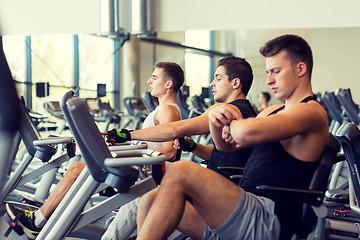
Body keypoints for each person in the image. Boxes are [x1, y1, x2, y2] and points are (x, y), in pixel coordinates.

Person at [135, 34, 329, 240]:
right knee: (150, 201)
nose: (269, 80)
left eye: (276, 71)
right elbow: (226, 146)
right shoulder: (272, 110)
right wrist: (216, 123)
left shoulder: (311, 112)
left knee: (182, 170)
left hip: (266, 218)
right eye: (268, 72)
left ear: (300, 69)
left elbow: (245, 132)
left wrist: (231, 122)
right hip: (243, 207)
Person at [6, 61, 184, 240]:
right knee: (78, 169)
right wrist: (116, 140)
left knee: (78, 169)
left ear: (168, 84)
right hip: (140, 166)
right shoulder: (162, 110)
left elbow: (169, 152)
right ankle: (44, 219)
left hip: (145, 173)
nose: (149, 81)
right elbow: (149, 141)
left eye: (154, 77)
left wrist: (131, 151)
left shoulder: (167, 111)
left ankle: (38, 221)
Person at [102, 56, 257, 240]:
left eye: (218, 78)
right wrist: (192, 146)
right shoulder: (242, 109)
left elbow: (175, 129)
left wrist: (127, 134)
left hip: (222, 192)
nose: (212, 83)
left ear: (235, 83)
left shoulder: (228, 110)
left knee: (144, 196)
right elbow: (218, 153)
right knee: (149, 197)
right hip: (220, 184)